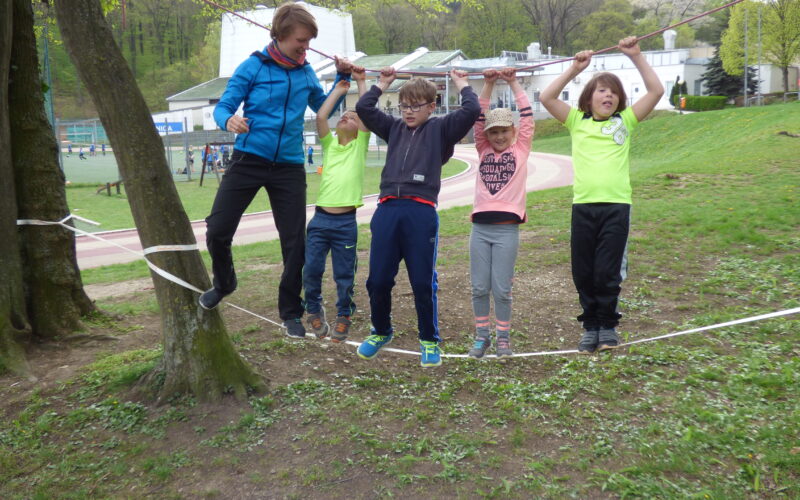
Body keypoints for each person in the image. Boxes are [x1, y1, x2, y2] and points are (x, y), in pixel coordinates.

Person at [201, 2, 352, 340]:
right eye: (301, 40)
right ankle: (224, 283)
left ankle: (290, 311)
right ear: (281, 36)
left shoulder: (305, 72)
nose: (305, 47)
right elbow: (225, 104)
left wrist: (343, 80)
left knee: (295, 243)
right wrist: (229, 119)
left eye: (310, 41)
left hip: (288, 166)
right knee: (217, 230)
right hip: (248, 159)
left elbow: (324, 109)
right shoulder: (253, 67)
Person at [539, 36, 664, 353]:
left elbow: (656, 91)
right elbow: (547, 96)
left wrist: (636, 56)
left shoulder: (626, 121)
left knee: (607, 271)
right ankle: (590, 326)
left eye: (614, 92)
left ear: (619, 100)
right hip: (583, 207)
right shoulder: (576, 121)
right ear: (589, 98)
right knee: (583, 271)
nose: (608, 95)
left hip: (616, 207)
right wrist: (575, 68)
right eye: (601, 90)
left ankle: (607, 326)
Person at [354, 67, 480, 367]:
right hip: (387, 210)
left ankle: (428, 339)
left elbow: (472, 109)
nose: (408, 112)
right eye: (404, 106)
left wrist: (461, 82)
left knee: (422, 281)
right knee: (378, 280)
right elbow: (363, 108)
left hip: (420, 212)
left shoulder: (441, 129)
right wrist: (383, 83)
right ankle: (381, 330)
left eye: (415, 106)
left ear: (431, 106)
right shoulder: (394, 128)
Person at [467, 68, 534, 359]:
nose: (498, 136)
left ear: (513, 132)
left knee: (501, 289)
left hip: (507, 230)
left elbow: (527, 116)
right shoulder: (482, 149)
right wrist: (489, 84)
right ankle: (482, 337)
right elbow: (478, 118)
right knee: (479, 287)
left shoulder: (520, 149)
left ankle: (503, 338)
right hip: (480, 229)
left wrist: (513, 82)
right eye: (493, 132)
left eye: (504, 130)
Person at [303, 67, 369, 343]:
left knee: (344, 274)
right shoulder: (329, 145)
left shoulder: (359, 144)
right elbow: (320, 116)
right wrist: (339, 91)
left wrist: (361, 82)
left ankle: (344, 315)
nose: (346, 116)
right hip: (319, 221)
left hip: (345, 224)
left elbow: (367, 114)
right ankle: (314, 310)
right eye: (343, 114)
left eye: (351, 117)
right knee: (312, 269)